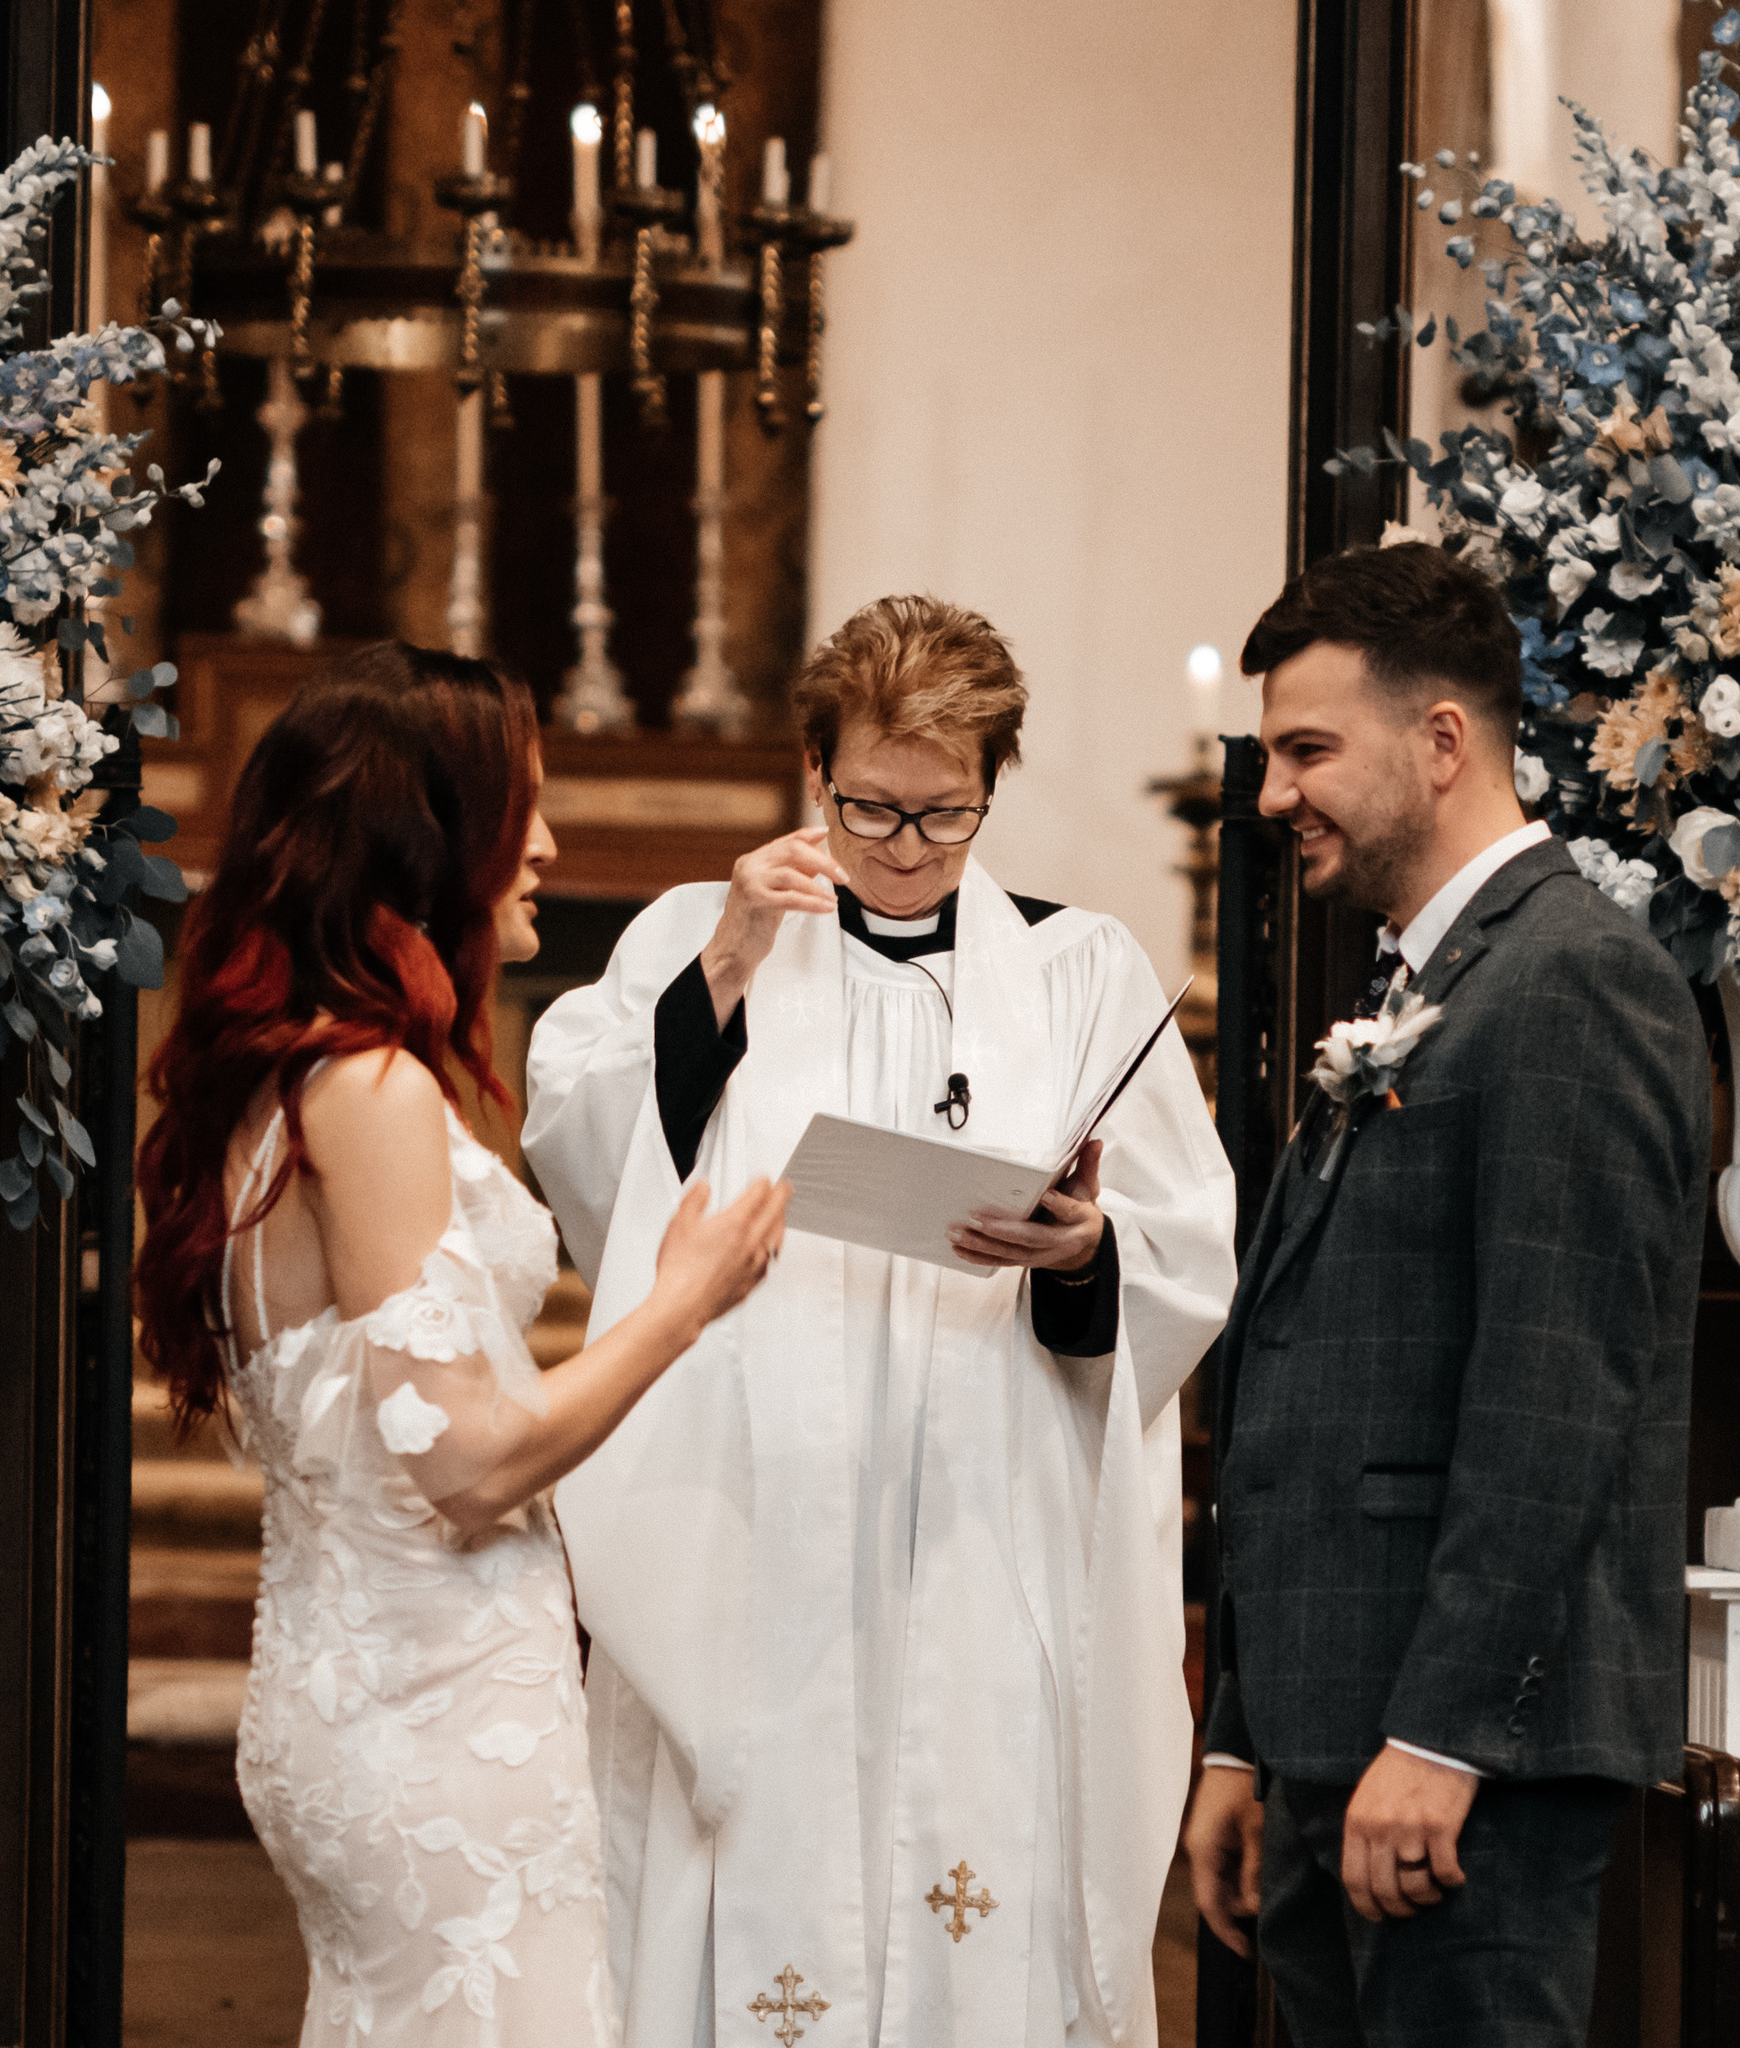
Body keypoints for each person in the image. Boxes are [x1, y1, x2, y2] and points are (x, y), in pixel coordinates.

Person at [522, 595, 1238, 2047]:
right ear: (811, 768)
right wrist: (723, 966)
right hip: (755, 1512)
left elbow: (1189, 1254)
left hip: (987, 1516)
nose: (905, 851)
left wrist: (1085, 1247)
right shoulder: (700, 932)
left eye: (944, 816)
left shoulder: (1079, 971)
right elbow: (588, 1157)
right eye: (870, 810)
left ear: (993, 787)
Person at [132, 643, 789, 2046]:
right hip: (438, 1728)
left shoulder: (289, 1076)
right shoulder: (364, 1086)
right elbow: (470, 1465)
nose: (546, 844)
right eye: (522, 809)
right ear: (430, 840)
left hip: (361, 1693)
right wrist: (687, 1294)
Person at [1181, 544, 1712, 2046]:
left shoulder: (1571, 983)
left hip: (1461, 1763)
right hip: (1334, 1739)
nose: (1273, 793)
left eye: (1306, 751)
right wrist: (1244, 1743)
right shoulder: (1432, 986)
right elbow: (1306, 1387)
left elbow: (1553, 1397)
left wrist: (1440, 1732)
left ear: (1441, 743)